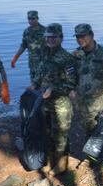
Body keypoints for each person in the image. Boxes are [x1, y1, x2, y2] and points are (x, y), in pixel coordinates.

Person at [31, 23, 77, 174]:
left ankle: (62, 164)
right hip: (45, 102)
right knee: (47, 132)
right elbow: (40, 73)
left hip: (60, 104)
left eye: (53, 37)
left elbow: (71, 83)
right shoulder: (45, 54)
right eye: (47, 37)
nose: (50, 39)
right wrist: (34, 84)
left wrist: (53, 89)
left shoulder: (67, 58)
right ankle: (52, 160)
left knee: (60, 135)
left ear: (61, 38)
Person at [11, 10, 46, 83]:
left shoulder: (45, 31)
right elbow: (23, 46)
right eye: (29, 19)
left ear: (37, 18)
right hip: (32, 64)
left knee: (44, 84)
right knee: (34, 84)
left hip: (44, 63)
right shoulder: (27, 31)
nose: (31, 21)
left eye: (33, 19)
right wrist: (15, 58)